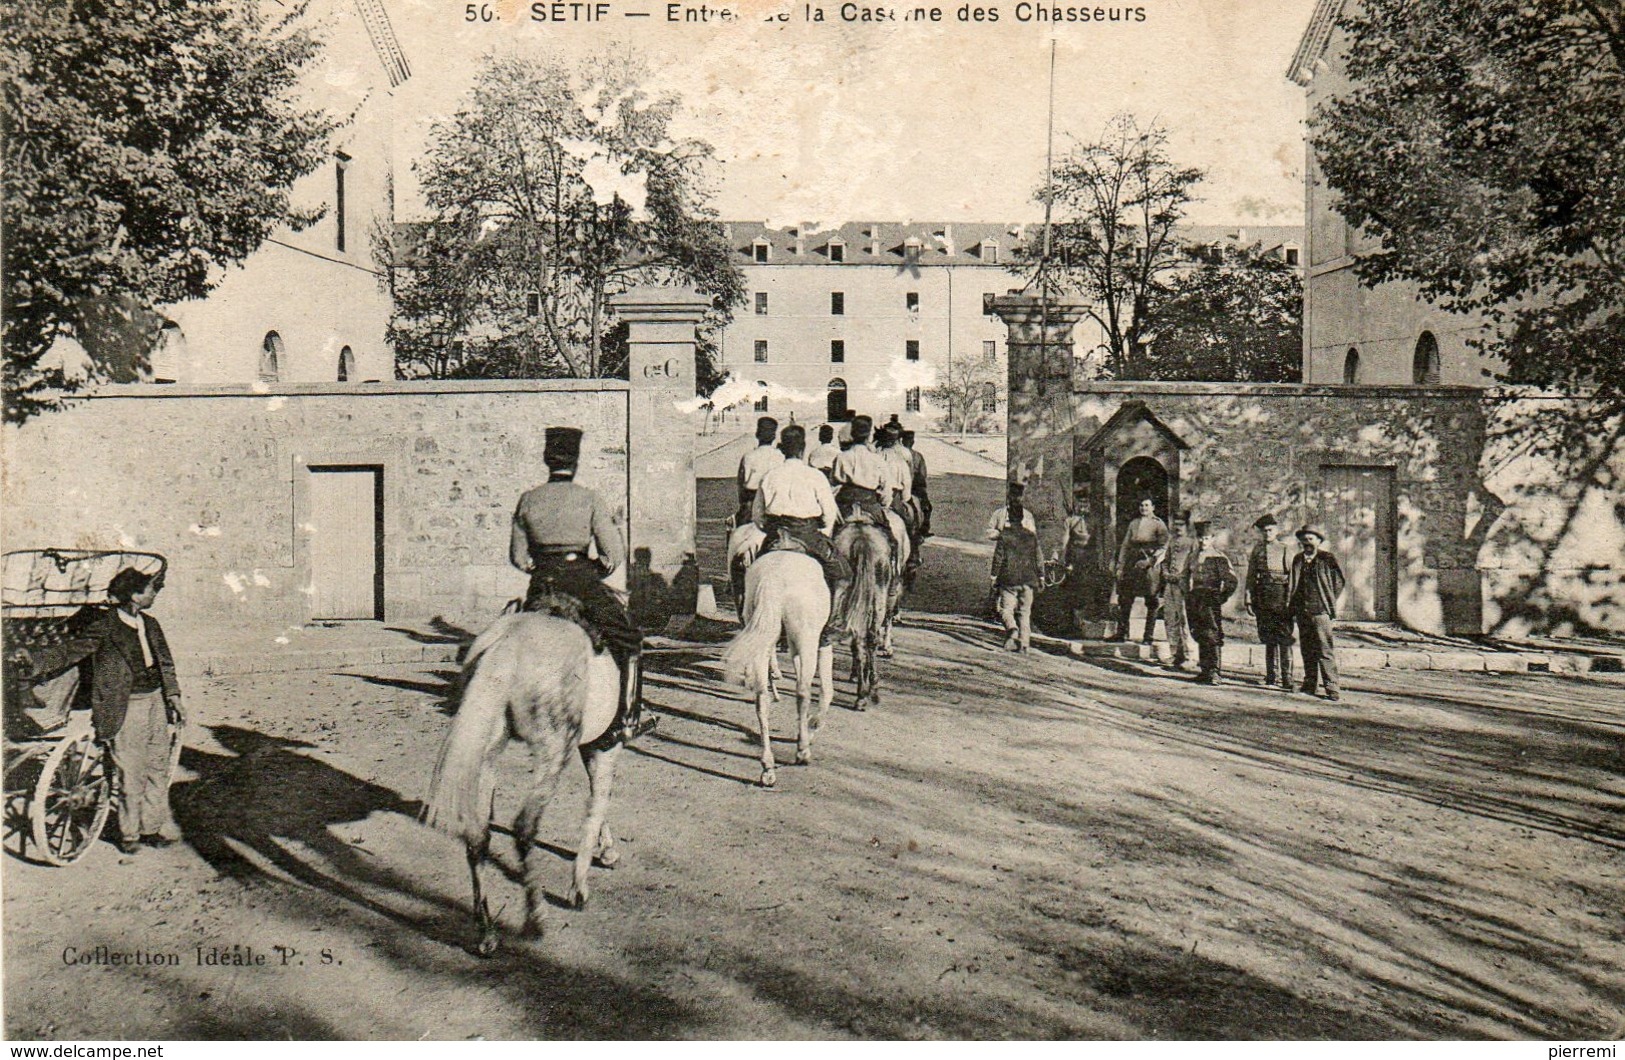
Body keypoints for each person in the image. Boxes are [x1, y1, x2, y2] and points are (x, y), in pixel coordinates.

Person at [19, 567, 186, 855]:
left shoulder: (152, 624)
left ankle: (151, 829)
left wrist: (173, 696)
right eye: (151, 589)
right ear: (134, 595)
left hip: (155, 702)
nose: (155, 593)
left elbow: (166, 664)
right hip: (125, 706)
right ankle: (130, 835)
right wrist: (32, 661)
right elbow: (69, 652)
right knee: (131, 773)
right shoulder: (105, 627)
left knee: (158, 767)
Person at [511, 426, 655, 747]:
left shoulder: (528, 500)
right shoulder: (589, 499)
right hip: (581, 582)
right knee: (630, 640)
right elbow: (613, 554)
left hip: (541, 586)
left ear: (547, 460)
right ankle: (629, 719)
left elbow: (519, 557)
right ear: (575, 463)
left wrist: (541, 567)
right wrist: (596, 569)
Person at [752, 424, 851, 642]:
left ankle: (751, 619)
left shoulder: (770, 476)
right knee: (843, 574)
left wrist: (771, 529)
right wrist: (822, 529)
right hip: (807, 534)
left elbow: (757, 516)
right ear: (803, 448)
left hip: (776, 535)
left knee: (753, 573)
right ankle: (833, 623)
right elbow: (829, 514)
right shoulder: (815, 476)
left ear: (782, 449)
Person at [1288, 526, 1347, 701]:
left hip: (1320, 611)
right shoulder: (1298, 559)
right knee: (1307, 649)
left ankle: (1331, 687)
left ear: (1319, 541)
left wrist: (1328, 599)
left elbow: (1339, 582)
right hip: (1302, 610)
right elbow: (1293, 583)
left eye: (1311, 539)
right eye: (1304, 539)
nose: (1307, 543)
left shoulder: (1326, 558)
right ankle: (1309, 683)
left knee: (1324, 649)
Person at [829, 414, 898, 558]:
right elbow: (886, 489)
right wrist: (884, 505)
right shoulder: (877, 459)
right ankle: (894, 567)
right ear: (869, 435)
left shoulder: (841, 457)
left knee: (830, 539)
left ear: (852, 434)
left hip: (845, 505)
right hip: (870, 503)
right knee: (891, 540)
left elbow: (833, 486)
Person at [1246, 513, 1296, 691]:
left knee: (1284, 637)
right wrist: (1248, 597)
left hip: (1281, 596)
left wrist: (1290, 600)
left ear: (1277, 530)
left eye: (1270, 530)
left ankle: (1287, 678)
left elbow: (1292, 577)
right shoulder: (1257, 550)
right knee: (1268, 637)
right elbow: (1251, 576)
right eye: (1264, 531)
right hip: (1263, 597)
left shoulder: (1284, 549)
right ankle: (1271, 676)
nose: (1267, 533)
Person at [1184, 522, 1239, 684]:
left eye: (1206, 538)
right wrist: (1187, 594)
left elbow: (1231, 581)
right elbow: (1184, 576)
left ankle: (1215, 672)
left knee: (1212, 633)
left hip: (1210, 597)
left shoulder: (1218, 557)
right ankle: (1205, 670)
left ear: (1212, 539)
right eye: (1200, 538)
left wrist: (1221, 597)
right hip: (1195, 597)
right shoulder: (1192, 556)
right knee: (1199, 632)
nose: (1203, 542)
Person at [1109, 497, 1169, 644]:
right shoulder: (1134, 523)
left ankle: (1148, 636)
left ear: (1153, 507)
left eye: (1147, 505)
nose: (1143, 508)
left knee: (1152, 600)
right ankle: (1122, 633)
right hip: (1132, 562)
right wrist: (1120, 566)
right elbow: (1125, 545)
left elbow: (1164, 547)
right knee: (1125, 597)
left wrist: (1149, 561)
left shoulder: (1159, 524)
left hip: (1150, 564)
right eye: (1141, 505)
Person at [991, 488, 1042, 653]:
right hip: (1028, 580)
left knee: (1005, 609)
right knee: (1025, 613)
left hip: (1009, 580)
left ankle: (1012, 629)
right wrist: (1041, 576)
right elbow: (1038, 557)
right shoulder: (1031, 536)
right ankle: (1025, 644)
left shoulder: (1005, 536)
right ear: (1021, 517)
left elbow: (998, 557)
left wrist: (993, 576)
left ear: (1010, 518)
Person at [1156, 510, 1195, 669]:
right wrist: (1165, 572)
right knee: (1170, 618)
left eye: (1181, 525)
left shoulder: (1192, 543)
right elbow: (1165, 560)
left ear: (1186, 526)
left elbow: (1193, 564)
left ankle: (1190, 656)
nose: (1178, 528)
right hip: (1170, 585)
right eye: (1175, 525)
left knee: (1185, 619)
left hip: (1183, 586)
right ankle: (1175, 653)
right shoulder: (1172, 542)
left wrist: (1183, 576)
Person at [735, 416, 784, 529]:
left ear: (757, 434)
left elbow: (741, 486)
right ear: (774, 436)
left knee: (738, 533)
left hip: (750, 506)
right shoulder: (781, 457)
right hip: (774, 505)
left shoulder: (748, 457)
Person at [900, 429, 932, 538]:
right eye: (909, 439)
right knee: (926, 507)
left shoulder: (899, 454)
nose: (910, 441)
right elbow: (923, 474)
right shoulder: (917, 456)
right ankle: (923, 530)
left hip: (901, 485)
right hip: (913, 486)